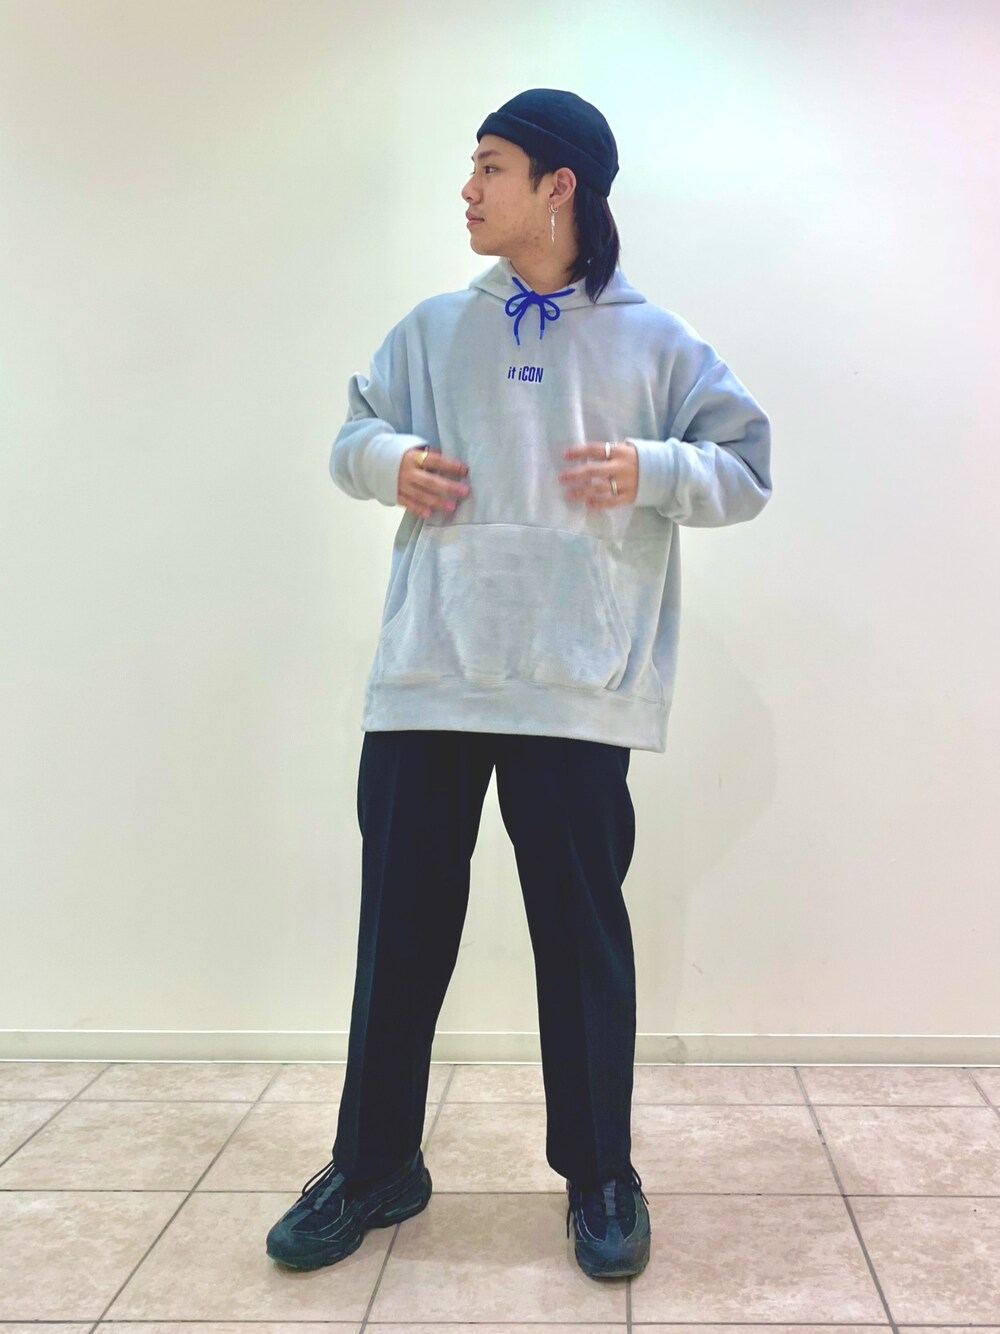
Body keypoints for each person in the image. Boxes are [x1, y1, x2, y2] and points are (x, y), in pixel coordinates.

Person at [266, 87, 772, 1282]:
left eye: (490, 165)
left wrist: (651, 467)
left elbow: (746, 466)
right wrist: (390, 460)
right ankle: (374, 1163)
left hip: (574, 682)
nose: (468, 187)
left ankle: (600, 1172)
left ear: (560, 185)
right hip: (430, 674)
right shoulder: (435, 327)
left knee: (580, 939)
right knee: (398, 933)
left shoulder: (656, 341)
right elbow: (351, 435)